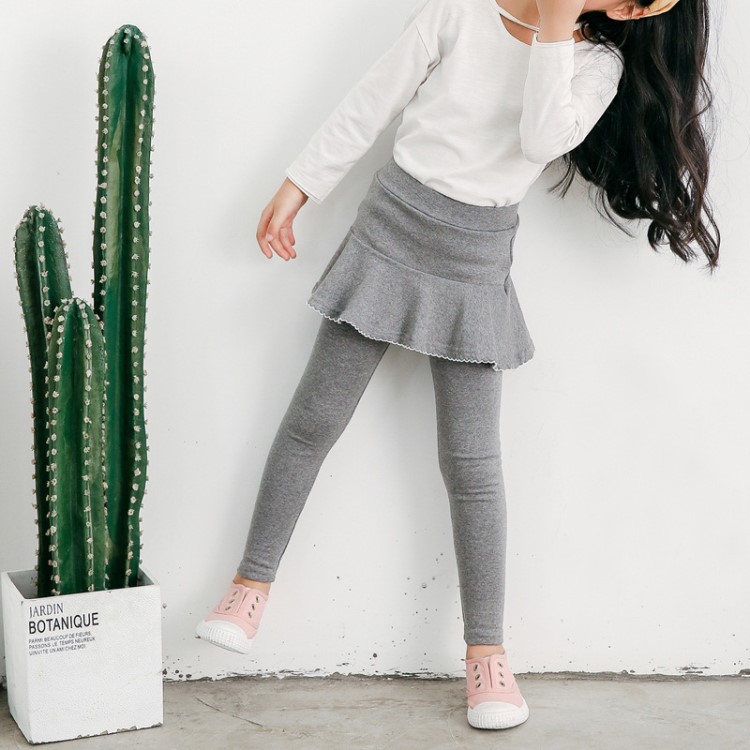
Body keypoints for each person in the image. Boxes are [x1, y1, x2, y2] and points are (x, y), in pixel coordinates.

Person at [196, 0, 719, 731]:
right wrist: (299, 186)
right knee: (313, 420)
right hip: (388, 233)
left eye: (642, 1)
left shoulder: (597, 64)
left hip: (474, 265)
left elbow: (541, 137)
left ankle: (487, 654)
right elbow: (371, 100)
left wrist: (557, 24)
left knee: (472, 465)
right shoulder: (461, 11)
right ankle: (249, 585)